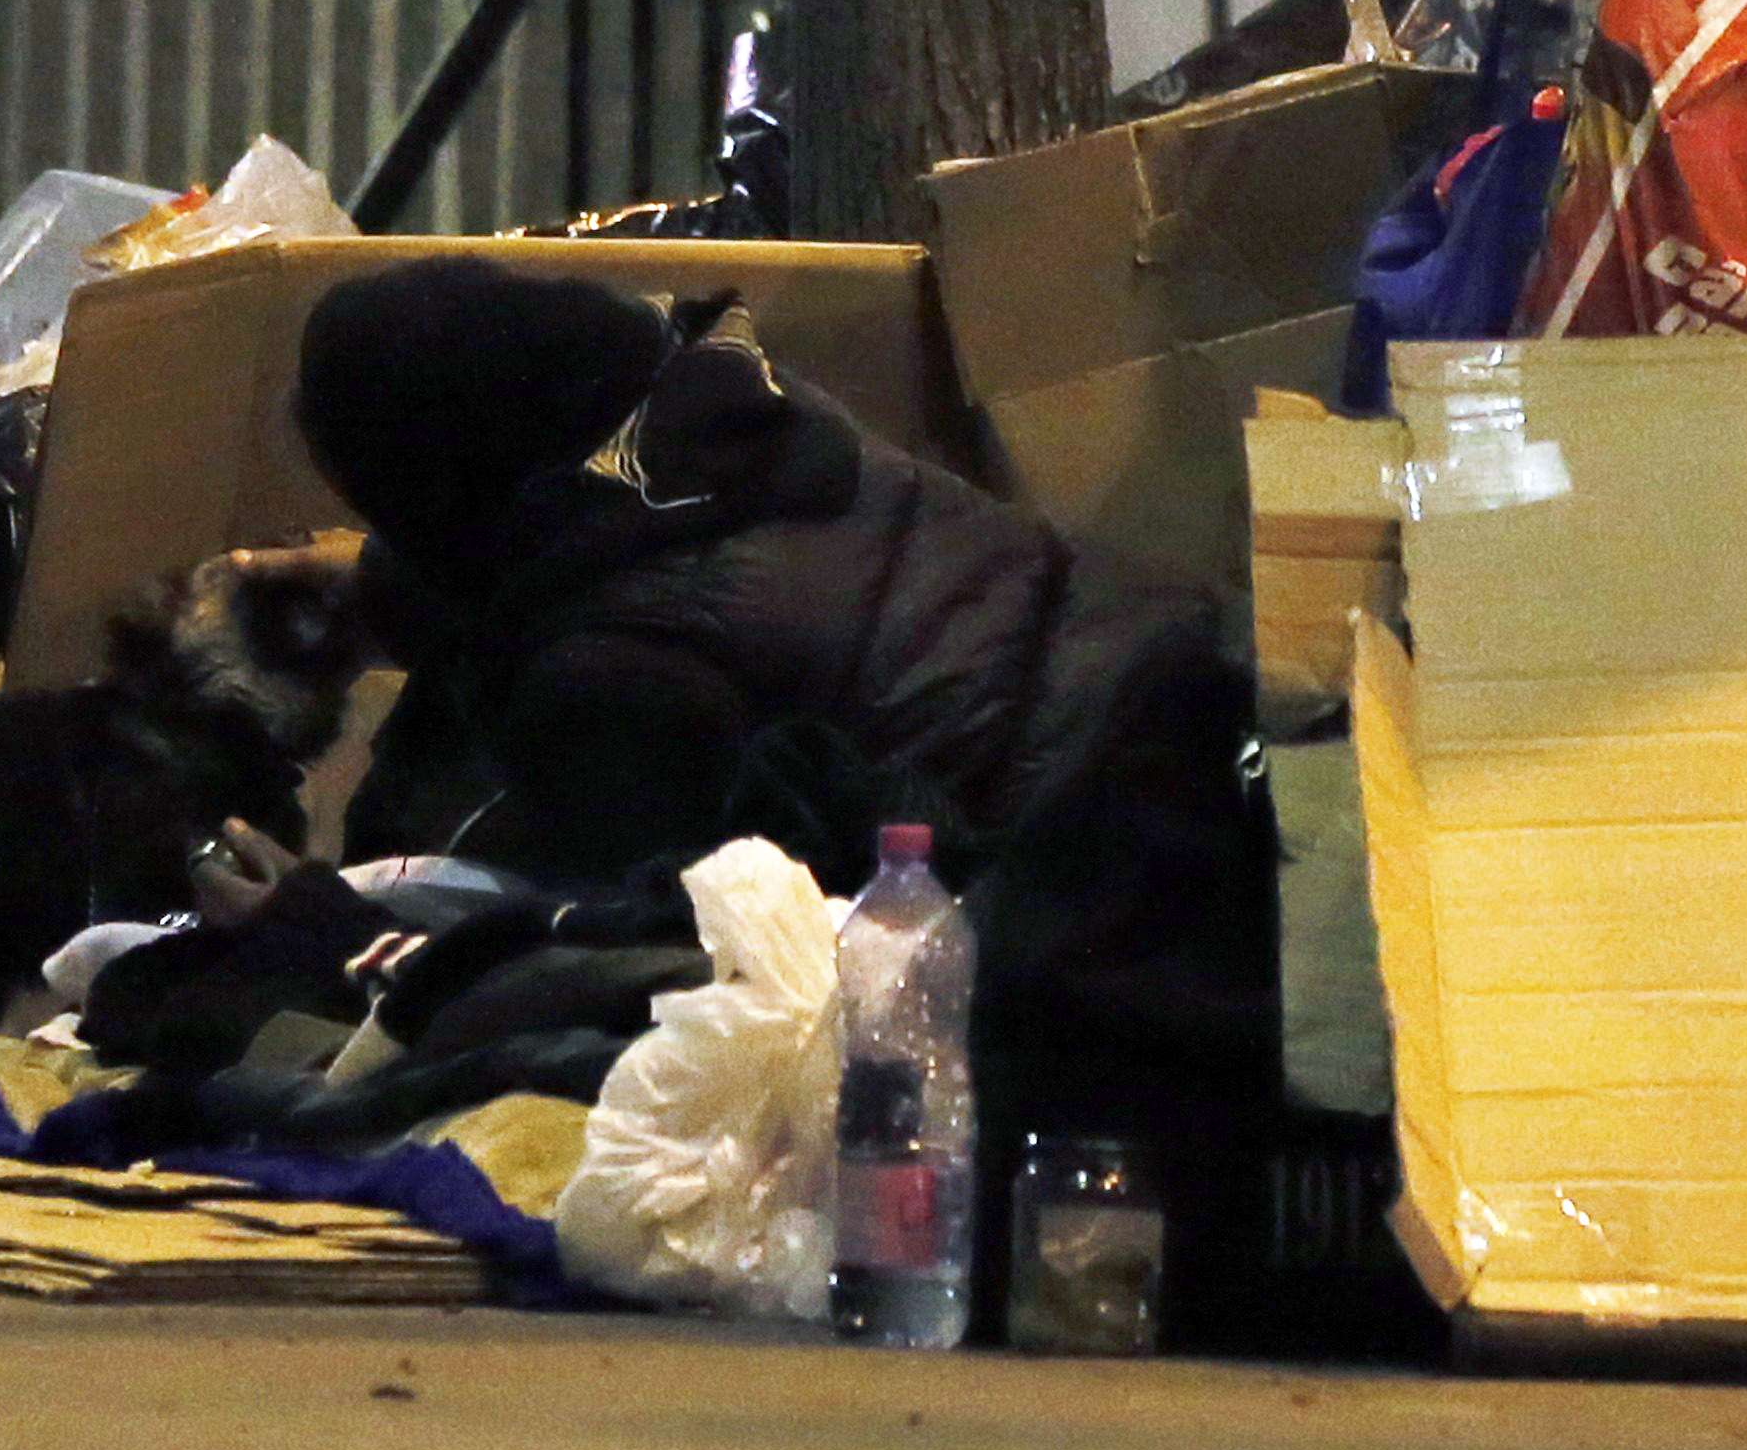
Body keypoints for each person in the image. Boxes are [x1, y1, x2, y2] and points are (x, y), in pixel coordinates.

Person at [286, 258, 1280, 1327]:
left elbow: (632, 946)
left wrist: (331, 931)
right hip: (1213, 690)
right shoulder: (728, 418)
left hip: (1102, 871)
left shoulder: (613, 670)